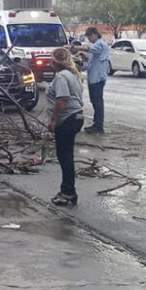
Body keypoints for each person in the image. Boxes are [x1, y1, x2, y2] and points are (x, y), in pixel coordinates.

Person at [47, 47, 84, 206]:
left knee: (65, 156)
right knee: (66, 155)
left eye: (51, 60)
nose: (50, 63)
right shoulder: (72, 75)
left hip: (67, 119)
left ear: (56, 61)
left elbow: (62, 99)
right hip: (76, 117)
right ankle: (67, 190)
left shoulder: (62, 76)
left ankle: (68, 191)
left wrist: (53, 120)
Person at [70, 27, 109, 133]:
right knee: (95, 101)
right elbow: (89, 64)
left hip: (98, 78)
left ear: (96, 34)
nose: (89, 38)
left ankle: (99, 125)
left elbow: (89, 48)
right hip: (93, 78)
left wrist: (75, 47)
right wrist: (80, 63)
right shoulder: (94, 46)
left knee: (97, 102)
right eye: (88, 37)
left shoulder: (100, 44)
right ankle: (96, 123)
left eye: (90, 36)